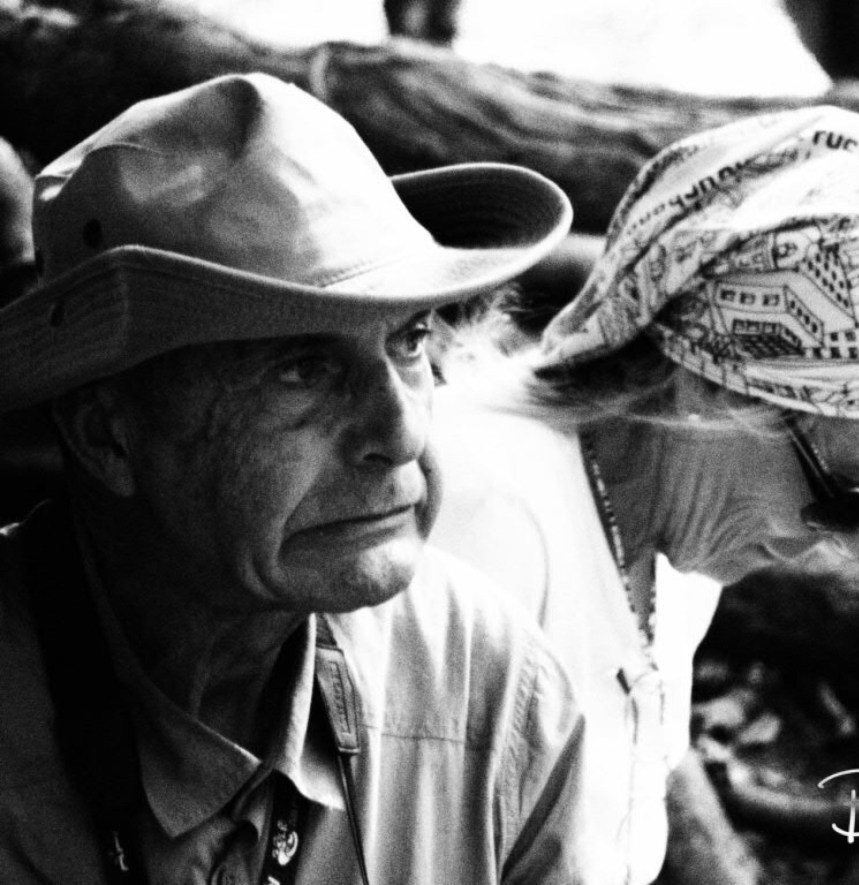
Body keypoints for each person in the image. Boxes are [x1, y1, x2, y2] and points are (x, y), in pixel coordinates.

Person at [0, 73, 589, 884]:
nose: (402, 429)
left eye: (410, 339)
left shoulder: (492, 691)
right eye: (302, 369)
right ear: (109, 433)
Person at [430, 106, 859, 884]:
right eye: (850, 491)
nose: (854, 544)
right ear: (709, 390)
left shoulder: (677, 556)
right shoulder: (482, 523)